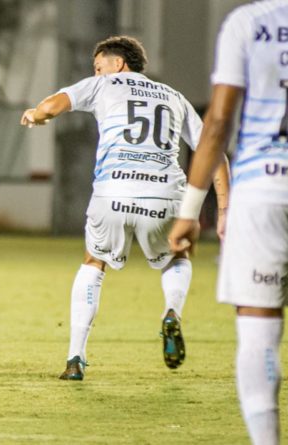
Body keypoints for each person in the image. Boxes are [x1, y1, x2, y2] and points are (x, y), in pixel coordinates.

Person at [20, 35, 230, 381]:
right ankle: (172, 312)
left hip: (112, 193)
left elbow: (54, 104)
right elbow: (215, 152)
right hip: (165, 197)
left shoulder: (103, 85)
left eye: (99, 65)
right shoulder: (175, 97)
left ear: (118, 64)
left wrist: (36, 114)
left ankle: (75, 358)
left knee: (94, 262)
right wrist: (223, 209)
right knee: (178, 256)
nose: (97, 72)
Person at [170, 2, 288, 443]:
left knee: (259, 328)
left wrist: (189, 211)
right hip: (262, 196)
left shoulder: (249, 22)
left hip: (263, 192)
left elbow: (217, 122)